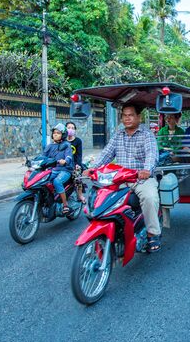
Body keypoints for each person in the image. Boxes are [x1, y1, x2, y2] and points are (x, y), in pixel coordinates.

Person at [86, 103, 162, 252]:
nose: (127, 118)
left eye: (131, 115)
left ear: (138, 117)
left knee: (149, 197)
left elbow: (152, 154)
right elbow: (106, 154)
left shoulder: (147, 135)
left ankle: (153, 233)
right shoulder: (118, 135)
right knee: (99, 196)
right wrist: (92, 168)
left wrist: (146, 169)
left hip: (141, 179)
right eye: (124, 115)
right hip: (119, 179)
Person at [43, 123, 74, 215]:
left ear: (63, 135)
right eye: (54, 133)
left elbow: (69, 156)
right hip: (53, 170)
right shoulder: (49, 146)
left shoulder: (66, 145)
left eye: (58, 133)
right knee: (43, 181)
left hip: (65, 170)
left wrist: (65, 161)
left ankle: (65, 205)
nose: (55, 134)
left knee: (57, 181)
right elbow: (42, 157)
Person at [65, 121, 86, 203]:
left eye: (73, 128)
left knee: (77, 176)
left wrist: (77, 165)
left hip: (74, 164)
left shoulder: (78, 141)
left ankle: (80, 195)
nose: (70, 130)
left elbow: (79, 155)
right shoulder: (62, 140)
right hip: (64, 164)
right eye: (69, 128)